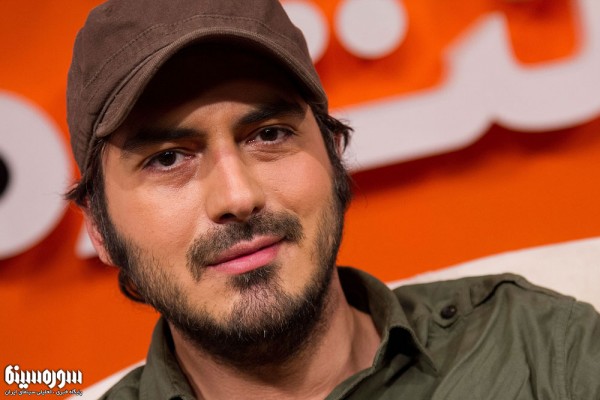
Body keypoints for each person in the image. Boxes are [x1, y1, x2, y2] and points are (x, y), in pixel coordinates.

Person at [65, 0, 600, 398]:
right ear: (100, 229)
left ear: (335, 155)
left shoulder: (538, 347)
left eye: (269, 134)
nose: (238, 196)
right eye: (167, 159)